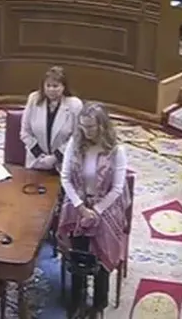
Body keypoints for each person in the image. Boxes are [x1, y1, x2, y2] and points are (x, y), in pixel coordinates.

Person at [56, 101, 128, 311]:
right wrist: (80, 207)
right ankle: (77, 298)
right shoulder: (75, 143)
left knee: (101, 257)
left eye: (90, 127)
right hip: (78, 203)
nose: (86, 131)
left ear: (102, 126)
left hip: (106, 207)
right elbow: (66, 178)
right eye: (83, 126)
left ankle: (99, 302)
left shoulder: (116, 151)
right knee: (79, 255)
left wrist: (96, 210)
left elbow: (117, 189)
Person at [21, 66, 83, 171]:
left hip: (64, 164)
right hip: (37, 161)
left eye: (55, 86)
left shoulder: (74, 105)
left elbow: (77, 137)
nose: (51, 89)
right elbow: (25, 132)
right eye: (48, 86)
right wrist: (40, 155)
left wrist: (55, 157)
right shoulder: (34, 99)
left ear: (64, 87)